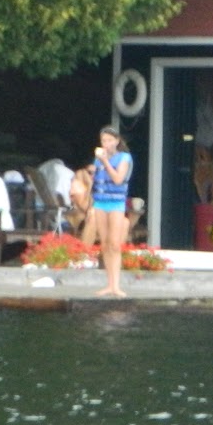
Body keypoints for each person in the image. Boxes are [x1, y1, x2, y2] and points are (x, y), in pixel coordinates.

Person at [90, 126, 133, 297]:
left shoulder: (124, 157)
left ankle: (116, 285)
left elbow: (118, 179)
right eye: (103, 141)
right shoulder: (97, 160)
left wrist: (105, 161)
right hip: (100, 203)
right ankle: (109, 284)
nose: (106, 144)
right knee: (105, 243)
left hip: (116, 203)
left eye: (109, 140)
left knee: (115, 244)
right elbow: (95, 180)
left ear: (116, 141)